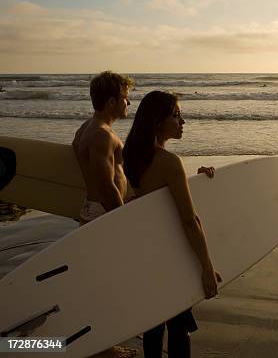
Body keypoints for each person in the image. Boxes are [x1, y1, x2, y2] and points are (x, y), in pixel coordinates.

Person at [122, 91, 221, 358]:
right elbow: (189, 220)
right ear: (157, 122)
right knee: (179, 326)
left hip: (145, 254)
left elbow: (155, 202)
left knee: (154, 325)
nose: (183, 121)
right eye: (176, 115)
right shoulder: (168, 162)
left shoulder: (129, 156)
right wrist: (207, 268)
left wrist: (196, 182)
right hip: (170, 255)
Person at [72, 71, 133, 225]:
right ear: (112, 102)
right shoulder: (102, 135)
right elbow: (105, 186)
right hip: (104, 211)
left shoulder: (85, 128)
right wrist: (123, 217)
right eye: (125, 98)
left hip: (94, 207)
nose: (129, 103)